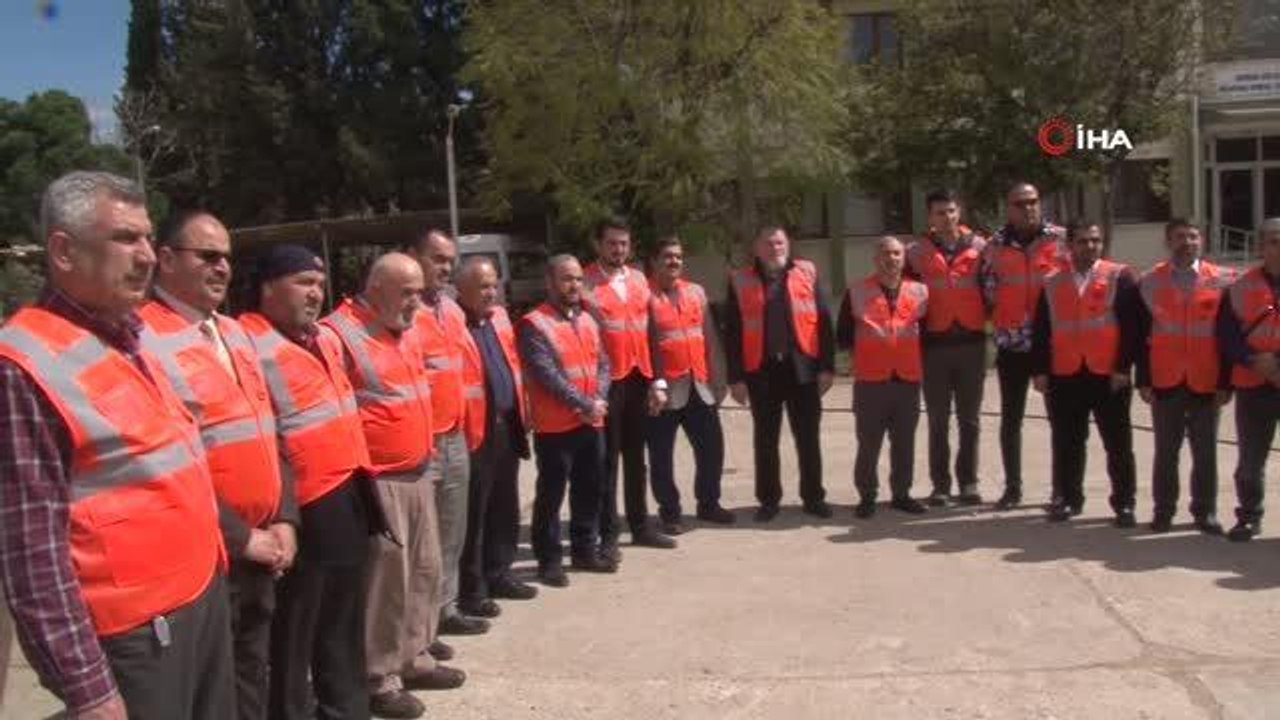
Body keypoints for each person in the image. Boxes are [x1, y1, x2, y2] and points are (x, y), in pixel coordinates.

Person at [0, 170, 233, 719]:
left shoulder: (130, 338)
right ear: (64, 251)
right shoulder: (21, 364)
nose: (148, 255)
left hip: (200, 600)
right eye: (126, 239)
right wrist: (89, 690)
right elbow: (32, 554)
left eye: (148, 237)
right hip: (136, 639)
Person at [138, 210, 294, 720]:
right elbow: (162, 465)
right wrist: (242, 537)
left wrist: (285, 518)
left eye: (227, 257)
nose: (222, 267)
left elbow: (269, 430)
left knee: (252, 676)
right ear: (165, 259)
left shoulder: (234, 332)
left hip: (263, 547)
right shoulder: (141, 338)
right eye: (207, 256)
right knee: (213, 693)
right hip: (210, 556)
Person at [323, 253, 465, 720]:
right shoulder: (339, 334)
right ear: (376, 288)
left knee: (423, 571)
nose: (416, 303)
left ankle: (414, 656)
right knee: (387, 583)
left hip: (418, 469)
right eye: (407, 293)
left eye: (419, 293)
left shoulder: (404, 327)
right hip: (379, 480)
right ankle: (379, 677)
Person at [240, 244, 376, 720]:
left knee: (342, 620)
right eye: (303, 282)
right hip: (300, 506)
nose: (315, 292)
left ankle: (345, 708)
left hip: (348, 490)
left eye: (319, 283)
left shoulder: (321, 338)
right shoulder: (247, 342)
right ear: (267, 287)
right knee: (294, 633)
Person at [1030, 220, 1140, 526]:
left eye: (1095, 240)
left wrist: (1123, 368)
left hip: (1108, 374)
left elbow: (1132, 328)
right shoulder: (1052, 281)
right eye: (1082, 241)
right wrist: (1040, 371)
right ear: (1069, 246)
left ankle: (1124, 503)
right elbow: (1041, 329)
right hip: (1066, 372)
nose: (1090, 246)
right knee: (1068, 441)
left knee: (1118, 444)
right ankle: (1069, 498)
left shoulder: (1120, 276)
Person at [724, 225, 836, 522]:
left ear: (787, 245)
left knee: (808, 437)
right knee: (765, 439)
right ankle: (769, 500)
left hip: (802, 368)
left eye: (779, 243)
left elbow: (824, 321)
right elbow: (732, 332)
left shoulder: (807, 272)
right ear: (756, 248)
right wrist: (735, 378)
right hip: (762, 370)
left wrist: (827, 367)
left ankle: (814, 497)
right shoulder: (739, 280)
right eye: (768, 243)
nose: (775, 248)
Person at [518, 255, 615, 586]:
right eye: (566, 279)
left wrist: (598, 400)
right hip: (556, 427)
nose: (574, 285)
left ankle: (585, 550)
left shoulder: (587, 319)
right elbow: (547, 375)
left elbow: (603, 364)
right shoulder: (534, 324)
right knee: (551, 494)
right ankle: (549, 560)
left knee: (590, 488)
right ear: (549, 282)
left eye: (577, 279)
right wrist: (585, 404)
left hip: (590, 422)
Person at [409, 230, 488, 636]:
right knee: (421, 542)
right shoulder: (404, 312)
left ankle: (446, 609)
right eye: (436, 258)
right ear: (413, 256)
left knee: (452, 530)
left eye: (449, 261)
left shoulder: (453, 311)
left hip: (455, 436)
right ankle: (420, 628)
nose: (445, 267)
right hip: (422, 444)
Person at [583, 217, 675, 557]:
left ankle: (640, 526)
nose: (618, 249)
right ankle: (608, 535)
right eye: (612, 243)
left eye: (623, 243)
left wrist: (658, 380)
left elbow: (651, 331)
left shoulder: (638, 279)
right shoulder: (585, 282)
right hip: (607, 382)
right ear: (598, 244)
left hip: (639, 377)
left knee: (637, 458)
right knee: (607, 462)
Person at [1135, 219, 1231, 535]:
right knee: (1166, 452)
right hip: (1166, 378)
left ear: (1201, 240)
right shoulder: (1150, 281)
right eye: (1180, 237)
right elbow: (1141, 336)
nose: (1187, 242)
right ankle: (1163, 511)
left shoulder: (1222, 280)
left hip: (1206, 378)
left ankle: (1205, 511)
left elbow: (1227, 336)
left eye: (1193, 236)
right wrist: (1143, 379)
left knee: (1205, 452)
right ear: (1168, 241)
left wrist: (1225, 382)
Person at [456, 257, 539, 617]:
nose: (491, 292)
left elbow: (513, 365)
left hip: (508, 424)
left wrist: (524, 409)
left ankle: (500, 573)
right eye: (483, 286)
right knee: (476, 512)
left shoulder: (500, 317)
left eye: (494, 285)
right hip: (476, 430)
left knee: (505, 505)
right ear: (462, 289)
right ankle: (472, 590)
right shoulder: (453, 324)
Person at [981, 182, 1068, 509]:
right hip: (1012, 344)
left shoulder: (1061, 240)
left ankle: (1061, 489)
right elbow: (988, 291)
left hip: (1052, 344)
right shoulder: (994, 246)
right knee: (1011, 419)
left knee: (1059, 420)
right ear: (1008, 208)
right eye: (1020, 203)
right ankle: (1013, 488)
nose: (1028, 208)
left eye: (1032, 201)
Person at [644, 236, 735, 534]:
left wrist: (718, 379)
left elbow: (710, 338)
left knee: (712, 449)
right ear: (654, 261)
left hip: (699, 385)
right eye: (667, 256)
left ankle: (709, 503)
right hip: (663, 392)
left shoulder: (695, 292)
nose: (674, 261)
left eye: (678, 257)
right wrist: (650, 386)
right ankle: (670, 512)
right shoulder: (643, 296)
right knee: (661, 456)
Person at [906, 190, 988, 507]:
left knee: (970, 420)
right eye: (940, 212)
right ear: (930, 217)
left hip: (971, 343)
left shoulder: (981, 247)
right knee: (938, 420)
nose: (947, 217)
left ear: (960, 212)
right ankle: (940, 485)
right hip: (934, 347)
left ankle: (968, 482)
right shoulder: (915, 252)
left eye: (951, 211)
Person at [839, 236, 930, 517]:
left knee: (904, 442)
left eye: (896, 253)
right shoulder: (856, 291)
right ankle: (867, 496)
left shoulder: (920, 291)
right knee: (869, 443)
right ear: (875, 259)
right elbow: (843, 336)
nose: (891, 259)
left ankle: (901, 494)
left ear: (903, 258)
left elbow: (928, 335)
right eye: (885, 253)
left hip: (907, 380)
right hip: (871, 381)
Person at [1216, 216, 1280, 542]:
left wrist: (1276, 363)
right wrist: (1253, 360)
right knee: (1250, 459)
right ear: (1261, 247)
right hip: (1253, 383)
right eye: (1274, 242)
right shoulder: (1240, 286)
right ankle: (1249, 517)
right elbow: (1226, 335)